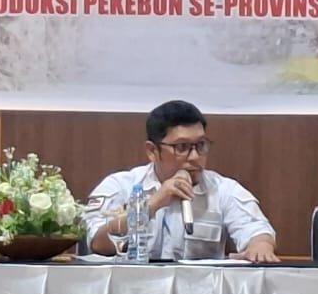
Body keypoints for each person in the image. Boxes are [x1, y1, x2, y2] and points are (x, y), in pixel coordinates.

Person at [85, 100, 279, 263]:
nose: (195, 157)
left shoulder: (223, 189)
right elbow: (98, 244)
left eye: (200, 145)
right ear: (152, 151)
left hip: (200, 292)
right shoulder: (120, 186)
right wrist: (150, 206)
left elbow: (256, 230)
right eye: (181, 147)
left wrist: (260, 246)